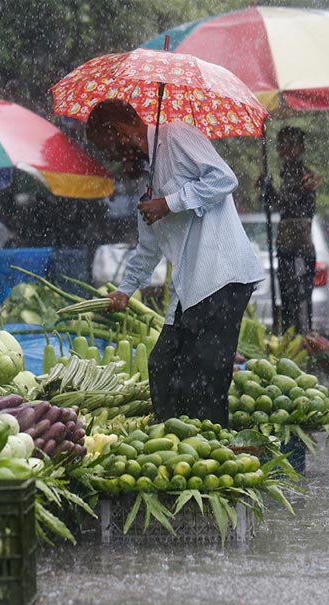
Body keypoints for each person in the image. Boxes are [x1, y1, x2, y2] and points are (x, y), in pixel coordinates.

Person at [85, 99, 264, 427]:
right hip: (191, 285)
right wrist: (124, 291)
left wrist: (170, 203)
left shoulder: (177, 135)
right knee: (163, 365)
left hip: (221, 275)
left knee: (206, 378)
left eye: (107, 147)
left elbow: (224, 179)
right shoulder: (147, 181)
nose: (109, 159)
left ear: (120, 131)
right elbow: (148, 248)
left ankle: (212, 454)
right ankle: (178, 441)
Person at [264, 126, 319, 334]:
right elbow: (282, 205)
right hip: (287, 247)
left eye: (288, 144)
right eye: (281, 144)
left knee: (300, 299)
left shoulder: (304, 176)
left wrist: (276, 191)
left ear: (300, 147)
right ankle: (291, 337)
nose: (283, 149)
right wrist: (268, 189)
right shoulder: (286, 174)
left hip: (300, 249)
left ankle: (303, 339)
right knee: (288, 298)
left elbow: (291, 206)